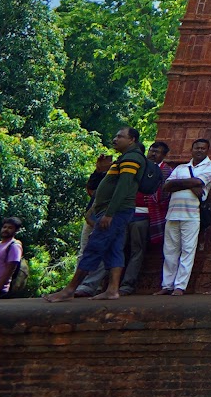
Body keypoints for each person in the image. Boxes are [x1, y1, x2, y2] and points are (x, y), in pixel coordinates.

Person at [46, 127, 147, 302]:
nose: (115, 139)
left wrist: (109, 213)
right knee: (114, 249)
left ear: (132, 140)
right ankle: (113, 289)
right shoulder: (126, 158)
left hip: (116, 211)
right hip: (116, 210)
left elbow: (123, 187)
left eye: (120, 136)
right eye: (115, 135)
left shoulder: (132, 158)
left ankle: (70, 289)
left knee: (94, 247)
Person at [155, 138, 211, 295]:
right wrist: (191, 184)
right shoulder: (182, 167)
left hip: (192, 214)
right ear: (192, 149)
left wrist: (180, 183)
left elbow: (198, 181)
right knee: (170, 250)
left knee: (188, 250)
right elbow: (167, 186)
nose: (199, 150)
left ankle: (180, 286)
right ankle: (167, 285)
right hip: (173, 212)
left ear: (207, 150)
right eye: (197, 148)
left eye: (203, 148)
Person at [119, 140, 170, 295]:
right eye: (152, 150)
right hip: (126, 213)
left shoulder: (166, 171)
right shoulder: (139, 166)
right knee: (117, 248)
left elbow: (164, 196)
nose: (153, 154)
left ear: (164, 155)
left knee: (137, 250)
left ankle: (127, 284)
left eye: (158, 151)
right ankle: (110, 283)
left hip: (145, 215)